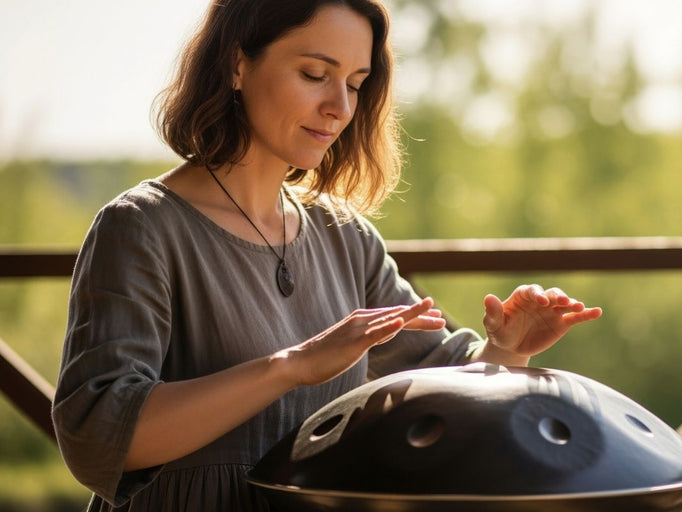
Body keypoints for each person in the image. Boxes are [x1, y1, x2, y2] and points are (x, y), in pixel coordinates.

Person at [51, 1, 602, 510]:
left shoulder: (346, 237)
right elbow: (101, 435)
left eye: (356, 83)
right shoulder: (140, 228)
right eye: (315, 75)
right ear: (236, 65)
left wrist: (507, 350)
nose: (339, 107)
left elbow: (444, 386)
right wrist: (290, 368)